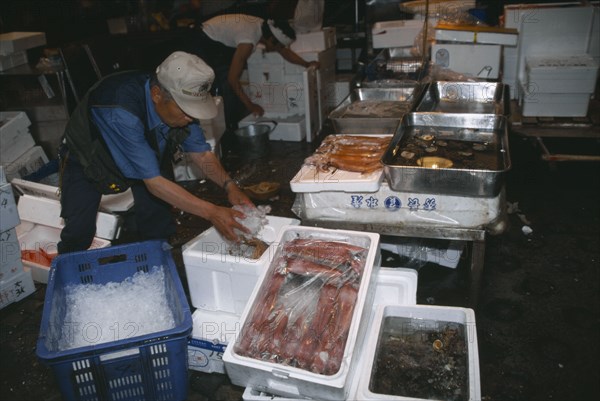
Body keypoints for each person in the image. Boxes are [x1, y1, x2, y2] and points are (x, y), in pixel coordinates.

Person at [57, 51, 253, 254]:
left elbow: (201, 154)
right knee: (79, 230)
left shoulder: (182, 108)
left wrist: (229, 185)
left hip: (148, 148)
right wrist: (212, 212)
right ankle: (67, 270)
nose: (190, 118)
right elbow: (155, 183)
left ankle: (157, 259)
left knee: (158, 221)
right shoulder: (120, 110)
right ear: (157, 95)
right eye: (186, 110)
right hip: (90, 157)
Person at [187, 13, 320, 127]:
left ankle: (227, 122)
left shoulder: (262, 26)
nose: (277, 50)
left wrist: (306, 63)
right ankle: (224, 130)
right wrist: (251, 106)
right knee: (222, 88)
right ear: (272, 40)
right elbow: (232, 79)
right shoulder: (248, 40)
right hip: (202, 41)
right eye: (277, 46)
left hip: (213, 40)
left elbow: (284, 52)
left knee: (228, 87)